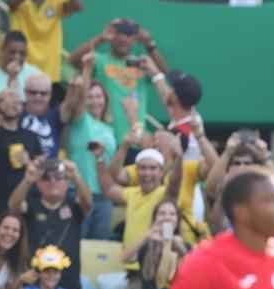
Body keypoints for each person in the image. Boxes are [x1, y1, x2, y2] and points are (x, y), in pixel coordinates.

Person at [98, 140, 183, 289]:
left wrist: (179, 158)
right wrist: (100, 159)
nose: (147, 173)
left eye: (153, 168)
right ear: (137, 171)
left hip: (151, 273)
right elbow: (108, 189)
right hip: (131, 272)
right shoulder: (132, 193)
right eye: (143, 168)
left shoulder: (164, 194)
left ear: (161, 172)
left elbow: (175, 183)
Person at [66, 17, 171, 147]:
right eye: (120, 35)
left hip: (135, 139)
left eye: (129, 36)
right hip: (106, 137)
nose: (124, 39)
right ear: (112, 38)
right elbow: (73, 61)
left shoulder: (141, 64)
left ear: (134, 40)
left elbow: (164, 74)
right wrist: (101, 38)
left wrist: (149, 45)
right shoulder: (100, 60)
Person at [8, 156, 91, 289]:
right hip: (35, 284)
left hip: (68, 285)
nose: (53, 182)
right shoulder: (31, 205)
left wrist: (76, 176)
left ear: (66, 183)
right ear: (38, 183)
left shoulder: (73, 206)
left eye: (59, 178)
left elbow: (87, 203)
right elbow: (13, 206)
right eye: (46, 178)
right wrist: (28, 180)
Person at [0, 89, 43, 240]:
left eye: (17, 101)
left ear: (23, 107)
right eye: (4, 101)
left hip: (22, 209)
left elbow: (41, 170)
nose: (12, 104)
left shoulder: (31, 136)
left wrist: (28, 163)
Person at [66, 55, 116, 240]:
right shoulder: (80, 122)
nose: (95, 101)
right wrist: (86, 69)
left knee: (100, 249)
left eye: (99, 96)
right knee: (78, 244)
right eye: (90, 97)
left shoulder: (109, 129)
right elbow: (77, 101)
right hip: (80, 193)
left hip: (104, 197)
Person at [5, 0, 83, 84]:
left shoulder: (57, 1)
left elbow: (78, 5)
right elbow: (12, 2)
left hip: (48, 75)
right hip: (19, 72)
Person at [119, 199, 189, 289]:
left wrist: (177, 246)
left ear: (177, 220)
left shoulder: (185, 246)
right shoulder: (146, 245)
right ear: (155, 219)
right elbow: (125, 258)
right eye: (162, 213)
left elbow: (194, 266)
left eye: (172, 214)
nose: (167, 217)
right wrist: (147, 236)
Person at [20, 72, 80, 158]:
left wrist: (73, 88)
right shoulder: (16, 113)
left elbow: (70, 104)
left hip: (50, 168)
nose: (38, 97)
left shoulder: (55, 115)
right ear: (25, 92)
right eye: (33, 92)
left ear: (50, 95)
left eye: (43, 93)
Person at [20, 245, 84, 289]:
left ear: (60, 274)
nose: (51, 275)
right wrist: (20, 280)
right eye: (47, 272)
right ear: (40, 274)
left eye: (55, 272)